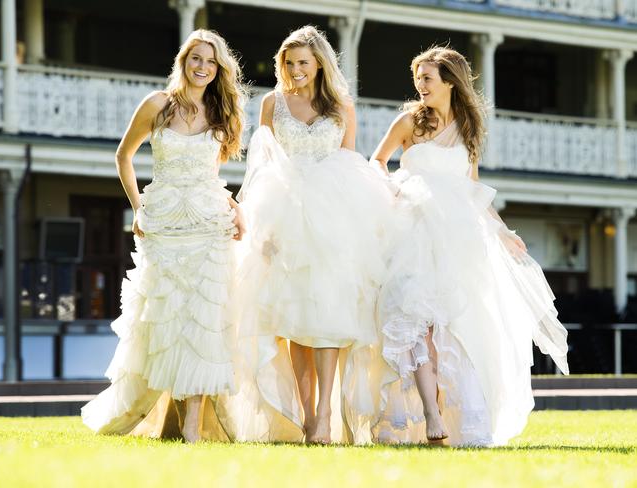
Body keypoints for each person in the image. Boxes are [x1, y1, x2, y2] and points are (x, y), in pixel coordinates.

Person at [370, 46, 569, 447]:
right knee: (416, 324)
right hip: (413, 232)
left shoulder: (468, 128)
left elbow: (474, 191)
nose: (420, 85)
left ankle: (453, 410)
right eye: (417, 78)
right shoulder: (409, 121)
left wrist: (503, 231)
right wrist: (396, 191)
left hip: (457, 242)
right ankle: (429, 411)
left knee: (452, 329)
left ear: (449, 81)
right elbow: (377, 162)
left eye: (427, 78)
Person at [81, 29, 246, 443]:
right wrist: (137, 206)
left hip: (209, 223)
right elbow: (124, 155)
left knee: (204, 319)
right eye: (196, 59)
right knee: (167, 320)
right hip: (165, 223)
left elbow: (211, 175)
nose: (203, 67)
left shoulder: (220, 110)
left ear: (218, 68)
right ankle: (169, 417)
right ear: (183, 61)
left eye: (211, 61)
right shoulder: (157, 104)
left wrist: (235, 206)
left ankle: (193, 424)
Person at [235, 26, 392, 444]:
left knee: (328, 317)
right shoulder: (271, 103)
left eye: (303, 62)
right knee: (292, 323)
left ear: (319, 63)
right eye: (289, 62)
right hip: (283, 213)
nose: (296, 70)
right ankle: (306, 419)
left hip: (332, 215)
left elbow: (350, 160)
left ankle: (325, 416)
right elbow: (261, 164)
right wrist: (261, 225)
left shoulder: (341, 104)